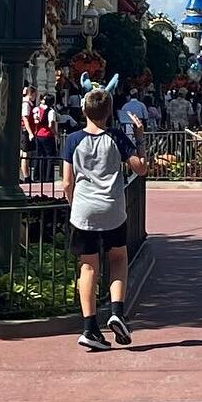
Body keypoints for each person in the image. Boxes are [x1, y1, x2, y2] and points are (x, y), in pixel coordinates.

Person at [62, 87, 146, 352]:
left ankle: (89, 328)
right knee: (118, 258)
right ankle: (117, 312)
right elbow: (140, 168)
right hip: (112, 208)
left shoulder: (72, 140)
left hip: (83, 210)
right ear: (108, 113)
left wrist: (74, 204)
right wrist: (140, 138)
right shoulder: (117, 138)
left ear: (84, 110)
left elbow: (67, 182)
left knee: (88, 267)